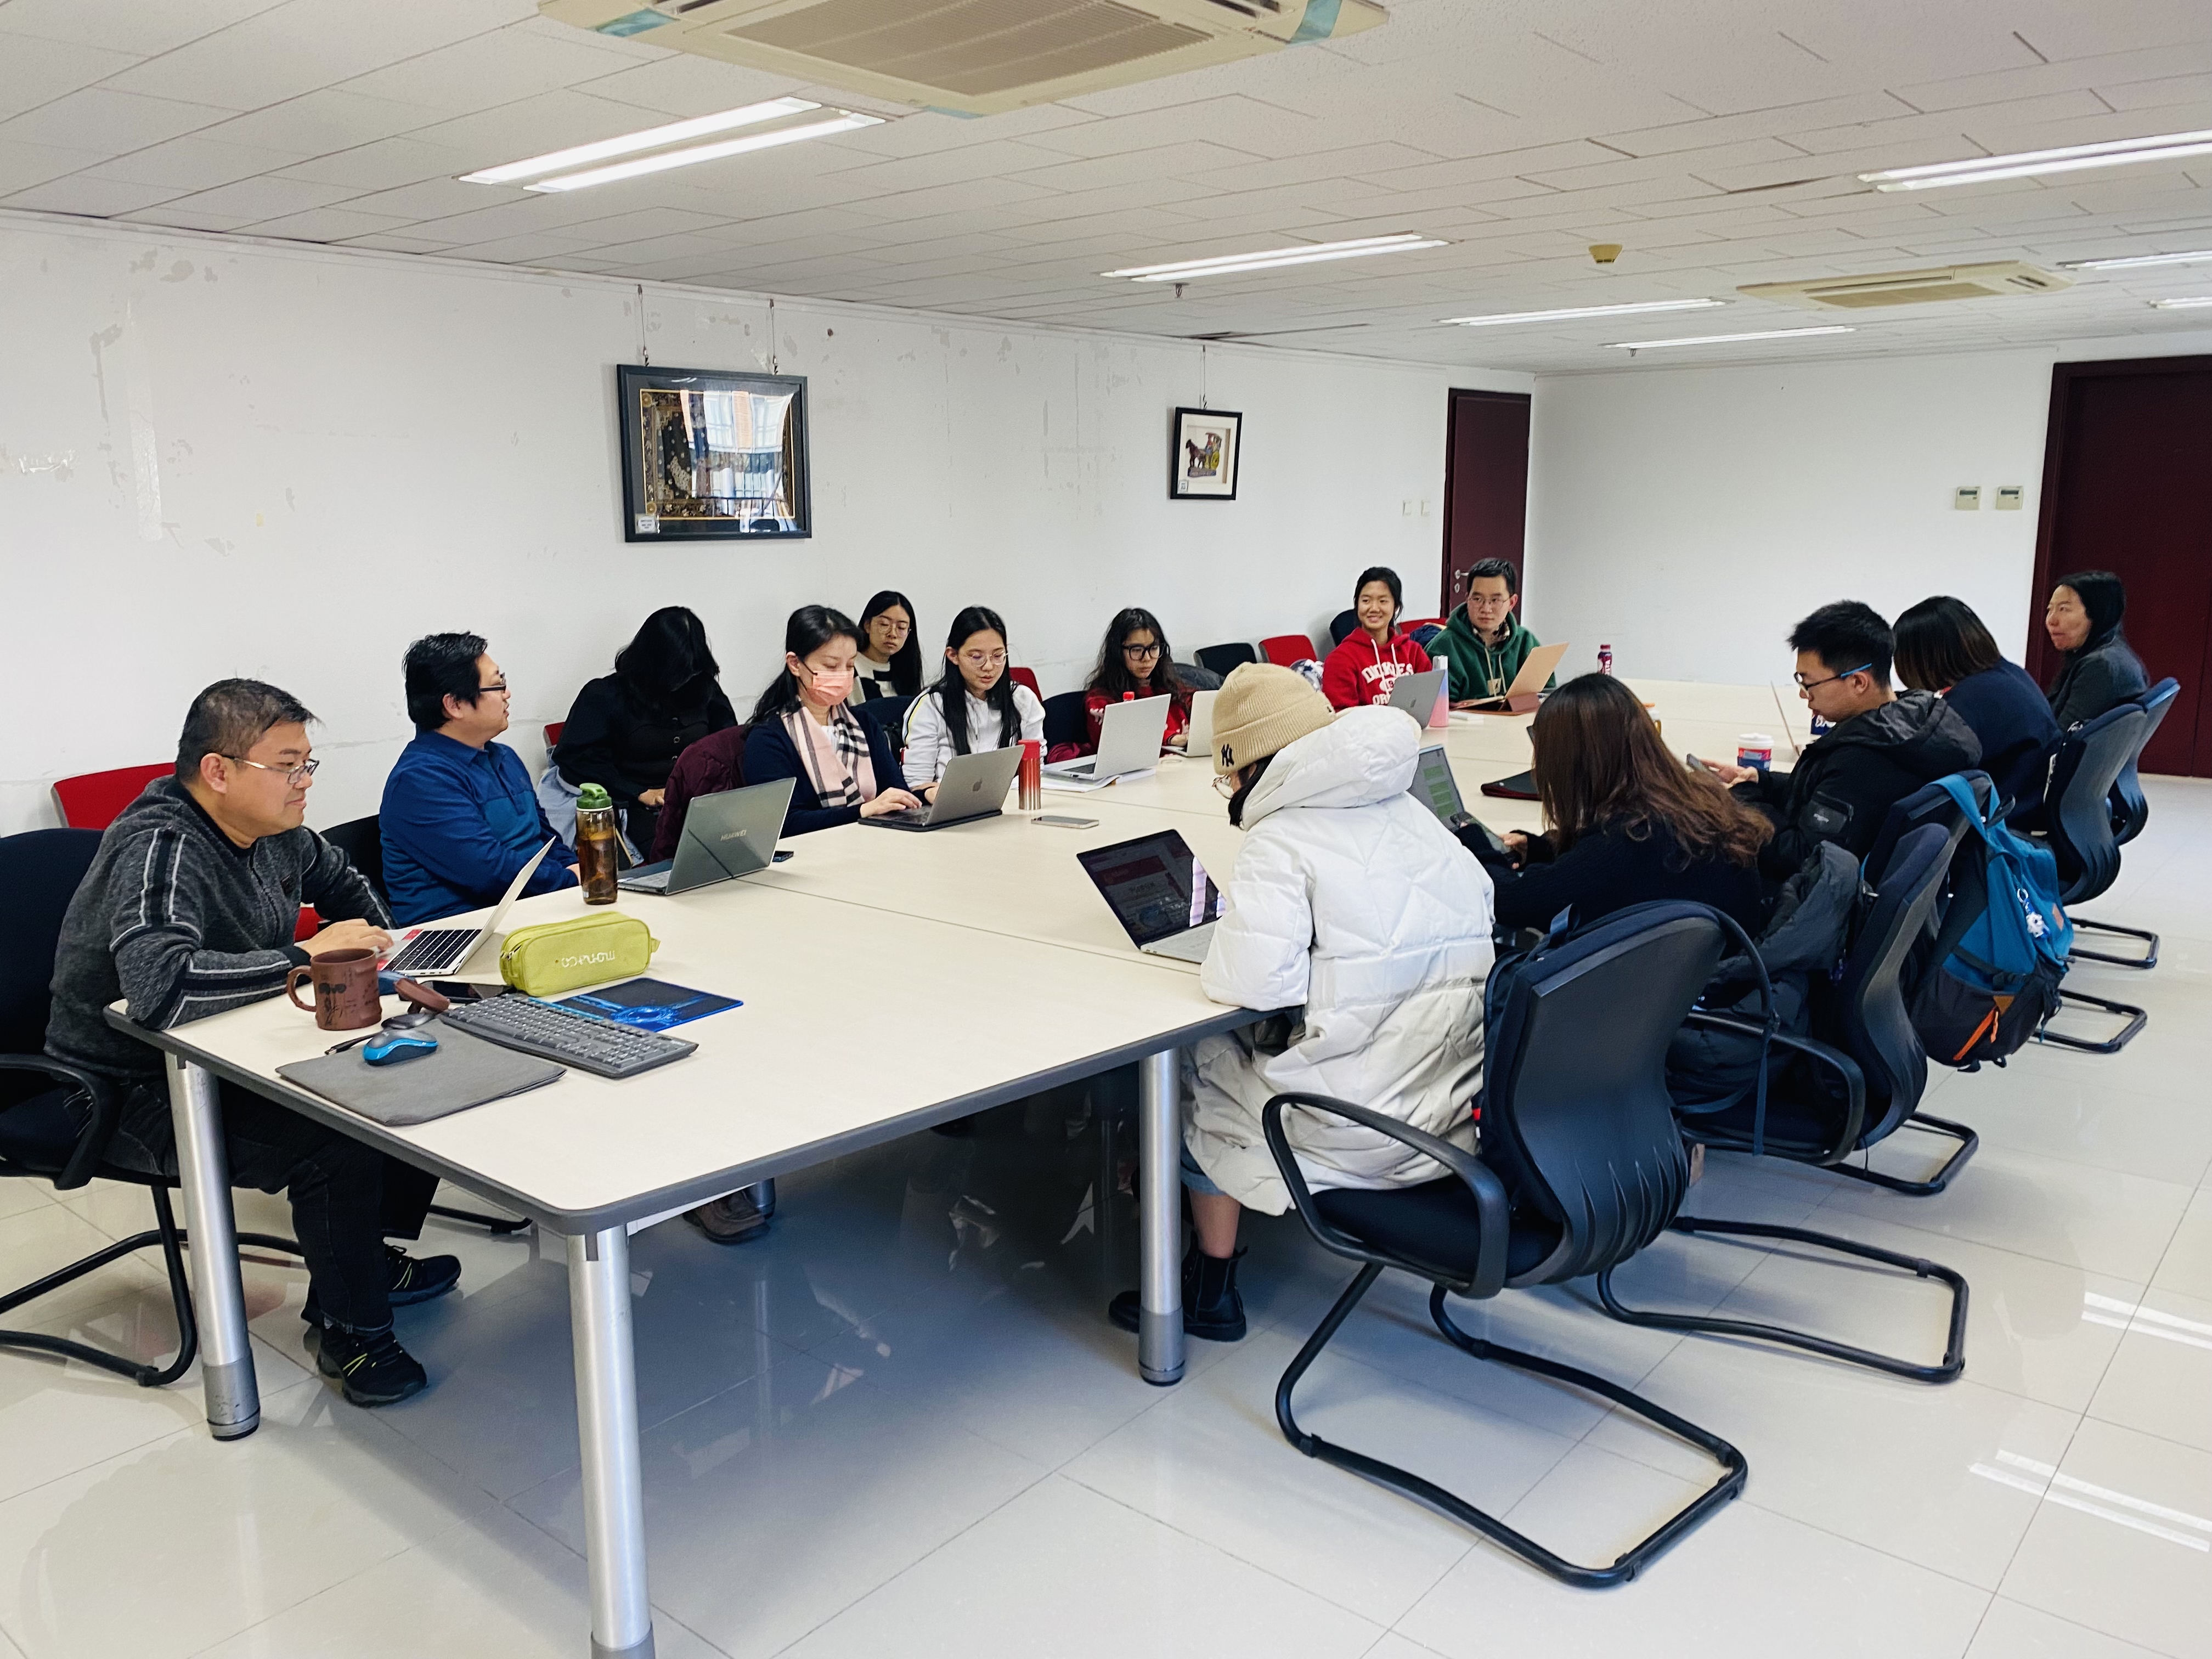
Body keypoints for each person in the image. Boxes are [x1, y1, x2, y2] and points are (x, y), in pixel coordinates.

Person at [43, 680, 457, 1407]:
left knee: (406, 1067)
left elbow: (346, 886)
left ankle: (362, 1261)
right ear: (218, 771)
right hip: (121, 1086)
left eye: (308, 764)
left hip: (217, 1052)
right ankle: (353, 1332)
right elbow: (160, 990)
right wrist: (307, 959)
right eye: (288, 766)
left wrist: (382, 947)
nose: (305, 782)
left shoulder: (277, 831)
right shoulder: (161, 845)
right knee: (336, 1139)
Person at [1107, 667, 1494, 1341]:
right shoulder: (1412, 810)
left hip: (1359, 1131)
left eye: (1228, 776)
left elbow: (1254, 987)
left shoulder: (1280, 837)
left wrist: (1228, 941)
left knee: (1200, 1062)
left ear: (1250, 765)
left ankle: (1206, 1290)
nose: (1230, 791)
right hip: (1455, 1113)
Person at [1703, 601, 1980, 878]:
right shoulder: (1907, 721)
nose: (1803, 694)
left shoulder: (1865, 758)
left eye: (1809, 683)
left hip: (1802, 895)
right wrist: (1760, 781)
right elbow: (1833, 791)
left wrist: (1742, 799)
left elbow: (1802, 857)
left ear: (1858, 682)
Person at [1479, 674, 1767, 933]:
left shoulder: (1626, 840)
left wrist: (1474, 846)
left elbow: (1511, 902)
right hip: (1726, 967)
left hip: (1672, 975)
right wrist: (1542, 849)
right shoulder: (1692, 803)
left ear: (1573, 764)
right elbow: (1597, 868)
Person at [380, 633, 579, 926]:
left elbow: (545, 840)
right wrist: (568, 881)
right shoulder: (419, 780)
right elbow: (489, 872)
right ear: (455, 705)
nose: (507, 694)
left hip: (532, 908)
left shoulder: (505, 758)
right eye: (497, 685)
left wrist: (576, 869)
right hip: (460, 929)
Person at [554, 607, 736, 856]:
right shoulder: (605, 695)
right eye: (678, 672)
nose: (684, 680)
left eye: (691, 671)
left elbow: (729, 743)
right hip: (633, 806)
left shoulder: (703, 687)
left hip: (697, 801)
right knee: (683, 856)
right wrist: (638, 792)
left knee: (737, 848)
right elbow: (577, 761)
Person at [743, 605, 924, 835]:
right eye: (831, 666)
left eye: (850, 665)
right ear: (795, 664)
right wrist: (862, 811)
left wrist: (921, 795)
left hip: (876, 840)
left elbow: (896, 792)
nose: (843, 674)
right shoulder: (768, 738)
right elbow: (784, 823)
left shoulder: (864, 724)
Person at [1894, 596, 2059, 819]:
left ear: (1923, 658)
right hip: (2030, 801)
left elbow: (1920, 774)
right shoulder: (2009, 673)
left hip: (2004, 817)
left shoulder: (1969, 702)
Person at [900, 606, 1045, 794]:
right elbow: (916, 785)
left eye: (998, 656)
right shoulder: (931, 706)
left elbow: (1036, 768)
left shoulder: (1022, 699)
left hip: (1013, 803)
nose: (989, 666)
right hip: (951, 806)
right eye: (977, 657)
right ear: (953, 656)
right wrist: (934, 793)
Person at [1070, 607, 1193, 758]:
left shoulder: (1171, 689)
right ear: (1118, 652)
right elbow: (1121, 744)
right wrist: (1170, 738)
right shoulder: (1101, 701)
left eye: (1154, 648)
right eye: (1136, 650)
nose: (1147, 658)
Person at [1439, 558, 1553, 707]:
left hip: (1519, 720)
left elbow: (1547, 696)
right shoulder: (1444, 647)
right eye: (1477, 599)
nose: (1486, 609)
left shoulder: (1526, 642)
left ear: (1512, 602)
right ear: (1467, 599)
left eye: (1495, 600)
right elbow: (1441, 709)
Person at [2043, 569, 2148, 731]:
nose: (2051, 621)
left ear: (2097, 614)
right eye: (2050, 609)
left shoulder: (2101, 667)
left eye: (2064, 609)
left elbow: (2060, 739)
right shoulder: (2114, 652)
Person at [1319, 566, 1434, 712]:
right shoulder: (1341, 659)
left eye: (1383, 601)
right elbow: (1342, 716)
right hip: (1365, 727)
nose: (1374, 608)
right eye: (1366, 601)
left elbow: (1429, 703)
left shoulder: (1413, 652)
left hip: (1413, 726)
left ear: (1396, 607)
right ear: (1357, 605)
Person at [853, 591, 923, 702]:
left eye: (901, 627)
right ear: (867, 625)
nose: (892, 634)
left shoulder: (906, 672)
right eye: (884, 624)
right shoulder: (849, 666)